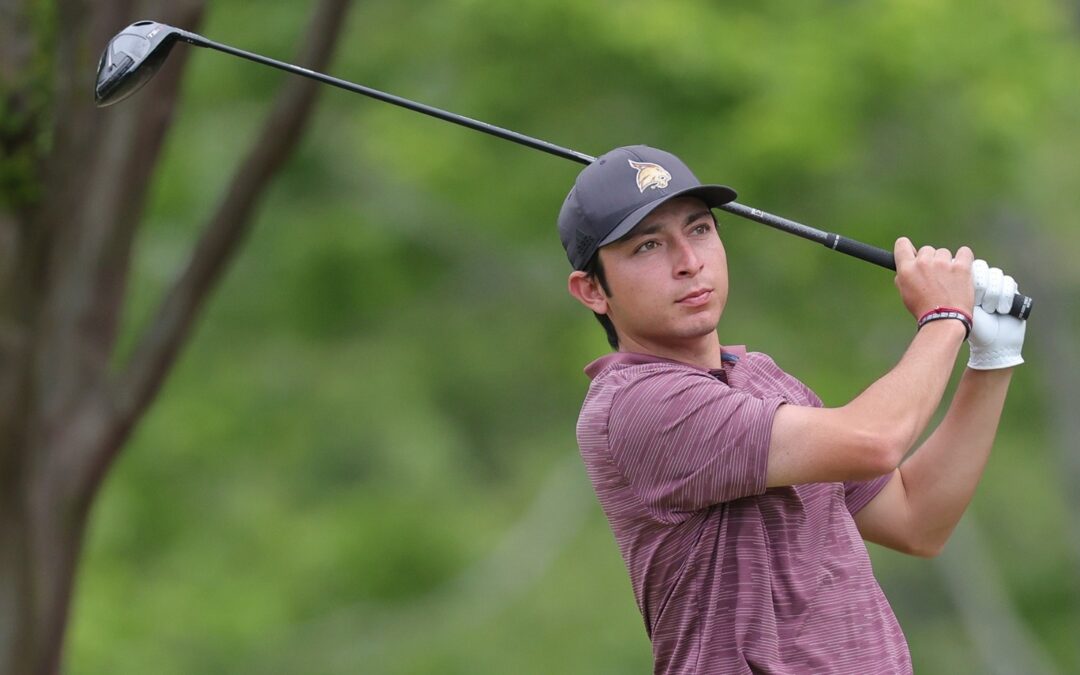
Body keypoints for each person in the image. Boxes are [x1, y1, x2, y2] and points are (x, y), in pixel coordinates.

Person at [557, 145, 1027, 674]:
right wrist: (945, 316)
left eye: (699, 230)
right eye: (648, 247)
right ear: (592, 290)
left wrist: (993, 361)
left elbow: (917, 520)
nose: (689, 263)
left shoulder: (759, 376)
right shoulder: (638, 405)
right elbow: (875, 440)